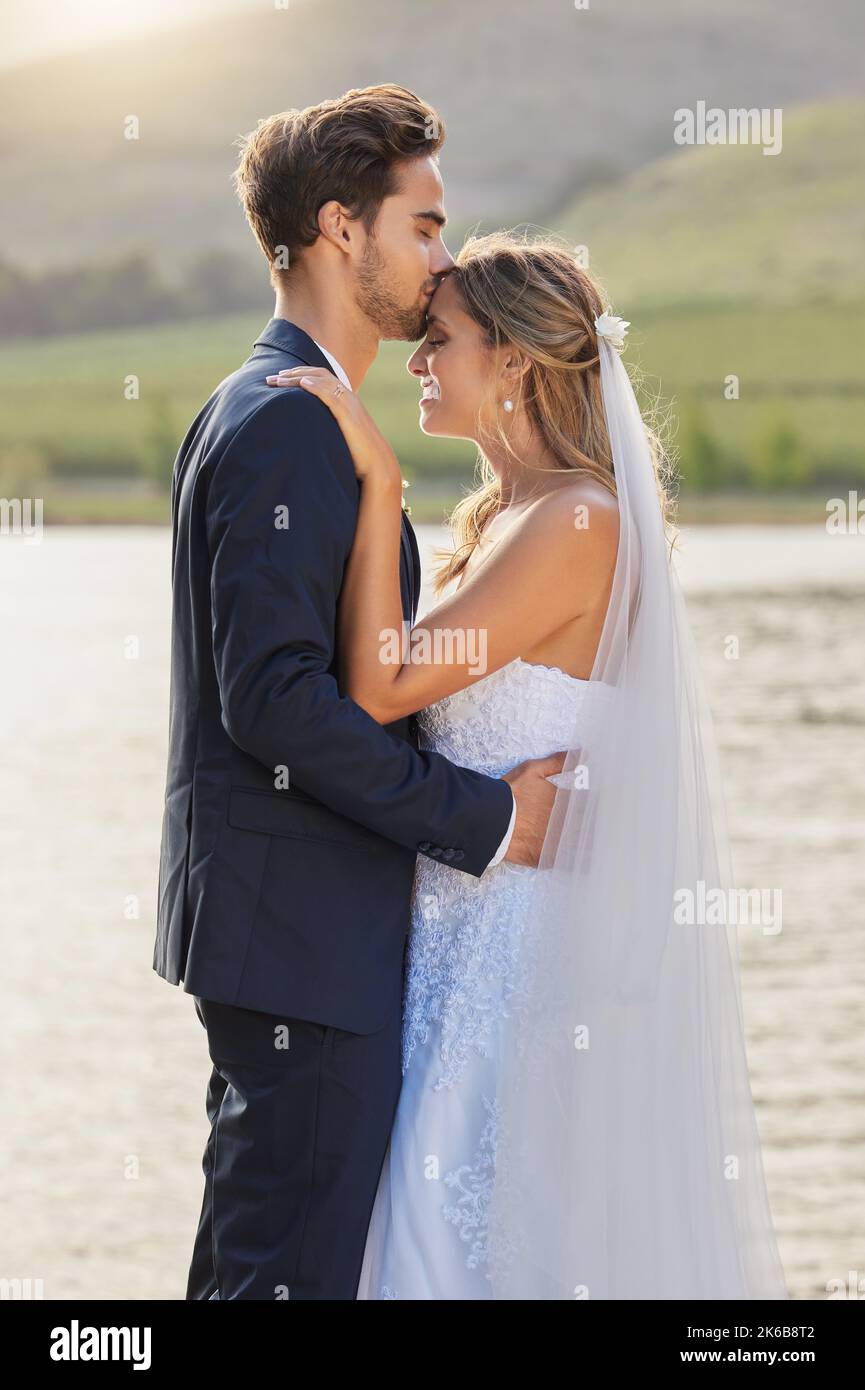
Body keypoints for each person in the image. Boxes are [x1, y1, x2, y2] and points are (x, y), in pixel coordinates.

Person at [269, 230, 789, 1300]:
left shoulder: (579, 520)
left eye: (442, 340)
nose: (417, 359)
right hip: (449, 936)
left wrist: (376, 486)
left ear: (511, 360)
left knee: (460, 1238)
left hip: (522, 960)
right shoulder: (507, 516)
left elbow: (385, 683)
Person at [152, 86, 563, 1301]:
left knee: (258, 1268)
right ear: (342, 229)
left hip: (289, 938)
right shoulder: (288, 423)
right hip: (303, 942)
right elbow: (274, 705)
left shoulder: (278, 402)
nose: (440, 262)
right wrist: (486, 818)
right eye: (424, 226)